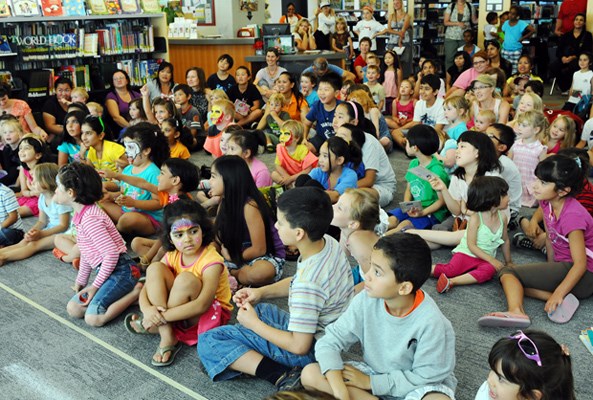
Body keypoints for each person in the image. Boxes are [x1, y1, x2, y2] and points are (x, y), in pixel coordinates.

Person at [197, 187, 353, 389]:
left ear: (298, 233)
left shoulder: (309, 284)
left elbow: (299, 346)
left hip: (315, 352)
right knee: (261, 309)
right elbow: (297, 282)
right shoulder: (326, 243)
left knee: (209, 341)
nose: (276, 226)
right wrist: (261, 292)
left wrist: (254, 325)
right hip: (330, 337)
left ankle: (281, 375)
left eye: (280, 222)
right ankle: (238, 352)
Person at [301, 232, 457, 400]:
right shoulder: (365, 299)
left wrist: (372, 382)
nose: (367, 276)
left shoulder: (432, 323)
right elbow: (330, 341)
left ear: (403, 288)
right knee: (310, 374)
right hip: (375, 373)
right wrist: (340, 392)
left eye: (377, 272)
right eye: (371, 266)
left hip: (417, 386)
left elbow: (425, 377)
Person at [479, 154, 593, 328]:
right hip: (567, 269)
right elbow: (550, 238)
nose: (535, 185)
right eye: (538, 179)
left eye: (544, 183)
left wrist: (558, 293)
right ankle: (560, 296)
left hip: (584, 276)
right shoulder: (547, 203)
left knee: (508, 273)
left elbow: (580, 264)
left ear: (563, 191)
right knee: (513, 284)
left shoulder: (572, 216)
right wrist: (549, 269)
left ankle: (518, 312)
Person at [123, 200, 232, 367]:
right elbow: (148, 284)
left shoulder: (212, 261)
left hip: (206, 314)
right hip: (177, 308)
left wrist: (157, 318)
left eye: (193, 231)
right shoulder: (172, 254)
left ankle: (161, 329)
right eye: (179, 235)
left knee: (185, 278)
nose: (187, 239)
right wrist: (147, 310)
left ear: (203, 230)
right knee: (154, 268)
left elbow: (202, 305)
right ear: (170, 239)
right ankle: (168, 334)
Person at [59, 163, 142, 327]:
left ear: (70, 193)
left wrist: (95, 286)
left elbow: (111, 255)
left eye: (58, 187)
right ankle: (120, 292)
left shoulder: (90, 219)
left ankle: (137, 292)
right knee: (74, 309)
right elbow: (86, 252)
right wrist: (81, 282)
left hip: (122, 271)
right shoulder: (81, 215)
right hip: (108, 271)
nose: (55, 191)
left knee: (94, 318)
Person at [211, 155, 285, 286]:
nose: (209, 181)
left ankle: (233, 274)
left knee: (259, 273)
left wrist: (231, 257)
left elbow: (259, 249)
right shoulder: (224, 202)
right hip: (234, 254)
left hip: (264, 257)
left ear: (229, 179)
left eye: (213, 176)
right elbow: (219, 236)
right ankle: (233, 273)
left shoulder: (249, 206)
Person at [433, 176, 511, 293]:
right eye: (504, 195)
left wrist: (508, 261)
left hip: (485, 259)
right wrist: (492, 260)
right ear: (492, 199)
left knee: (489, 272)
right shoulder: (476, 218)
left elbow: (505, 240)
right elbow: (471, 245)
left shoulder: (503, 217)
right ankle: (423, 269)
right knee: (450, 270)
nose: (509, 198)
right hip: (467, 253)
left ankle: (453, 281)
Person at [120, 158, 200, 269]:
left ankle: (155, 266)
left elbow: (167, 240)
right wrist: (118, 176)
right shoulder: (169, 195)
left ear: (175, 181)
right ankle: (153, 264)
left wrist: (151, 258)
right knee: (136, 242)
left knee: (159, 256)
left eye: (162, 173)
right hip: (169, 240)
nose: (158, 177)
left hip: (182, 247)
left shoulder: (180, 207)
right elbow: (142, 183)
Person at [99, 123, 169, 236]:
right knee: (99, 202)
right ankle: (112, 229)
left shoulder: (153, 172)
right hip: (126, 210)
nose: (126, 152)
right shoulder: (128, 168)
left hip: (148, 218)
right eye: (126, 147)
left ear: (146, 150)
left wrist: (134, 203)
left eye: (131, 147)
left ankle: (113, 234)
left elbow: (159, 203)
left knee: (127, 220)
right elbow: (123, 190)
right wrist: (109, 192)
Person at [0, 163, 71, 267]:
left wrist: (42, 234)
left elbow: (63, 226)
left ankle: (3, 257)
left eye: (35, 180)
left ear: (46, 181)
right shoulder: (42, 197)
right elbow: (42, 221)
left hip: (64, 233)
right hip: (51, 228)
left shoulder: (60, 200)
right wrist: (32, 230)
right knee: (25, 241)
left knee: (34, 245)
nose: (31, 182)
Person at [475, 330, 576, 400]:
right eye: (493, 370)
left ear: (531, 396)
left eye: (501, 379)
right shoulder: (489, 392)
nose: (489, 380)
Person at [387, 125, 448, 231]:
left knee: (405, 224)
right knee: (393, 219)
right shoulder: (414, 163)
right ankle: (374, 231)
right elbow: (408, 189)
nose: (406, 145)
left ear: (415, 148)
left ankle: (380, 239)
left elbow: (442, 201)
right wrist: (407, 205)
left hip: (432, 212)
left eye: (407, 143)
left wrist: (422, 212)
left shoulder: (437, 170)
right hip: (415, 207)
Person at [334, 104, 396, 207]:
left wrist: (340, 189)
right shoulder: (337, 138)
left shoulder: (369, 142)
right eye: (334, 116)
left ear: (353, 122)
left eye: (340, 117)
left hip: (378, 186)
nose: (335, 121)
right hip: (350, 182)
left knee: (352, 199)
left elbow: (369, 180)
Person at [330, 188, 382, 287]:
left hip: (375, 280)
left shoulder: (357, 241)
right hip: (362, 271)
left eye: (339, 208)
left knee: (339, 298)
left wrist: (350, 295)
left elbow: (374, 281)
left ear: (353, 224)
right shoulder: (346, 230)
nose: (332, 207)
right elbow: (342, 255)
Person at [392, 74, 447, 149]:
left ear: (435, 92)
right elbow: (416, 122)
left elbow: (437, 129)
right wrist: (400, 129)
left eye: (427, 89)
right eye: (421, 88)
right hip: (421, 133)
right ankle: (408, 147)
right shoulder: (419, 103)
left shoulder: (442, 105)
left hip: (435, 136)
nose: (422, 92)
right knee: (395, 132)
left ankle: (412, 149)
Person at [299, 136, 360, 204]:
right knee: (302, 178)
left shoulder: (350, 175)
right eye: (320, 155)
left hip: (339, 209)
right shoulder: (319, 171)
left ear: (339, 160)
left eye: (325, 156)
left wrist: (305, 195)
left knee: (311, 185)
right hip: (319, 205)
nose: (320, 160)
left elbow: (335, 196)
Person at [486, 123, 522, 230]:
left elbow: (491, 191)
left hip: (508, 207)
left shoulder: (503, 165)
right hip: (495, 201)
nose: (484, 137)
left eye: (490, 136)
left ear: (501, 147)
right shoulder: (488, 159)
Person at [509, 110, 548, 207]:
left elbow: (543, 171)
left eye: (524, 125)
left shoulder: (540, 149)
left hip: (530, 185)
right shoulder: (515, 144)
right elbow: (509, 164)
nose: (519, 128)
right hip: (516, 182)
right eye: (519, 124)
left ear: (536, 130)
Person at [272, 120, 318, 188]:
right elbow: (278, 165)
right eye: (281, 133)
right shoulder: (280, 148)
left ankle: (290, 186)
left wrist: (291, 178)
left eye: (286, 134)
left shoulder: (302, 150)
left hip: (300, 177)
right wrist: (287, 177)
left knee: (307, 181)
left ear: (297, 138)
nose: (282, 136)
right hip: (288, 175)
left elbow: (308, 169)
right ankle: (291, 186)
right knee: (274, 174)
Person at [304, 72, 343, 152]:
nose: (321, 92)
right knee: (306, 150)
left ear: (336, 93)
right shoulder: (317, 106)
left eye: (326, 90)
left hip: (339, 140)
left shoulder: (342, 107)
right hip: (320, 138)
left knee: (331, 153)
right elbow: (307, 124)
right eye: (320, 89)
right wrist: (304, 138)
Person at [16, 135, 47, 218]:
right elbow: (24, 191)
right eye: (20, 148)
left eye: (26, 148)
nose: (22, 151)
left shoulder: (42, 170)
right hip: (28, 197)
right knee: (6, 207)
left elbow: (44, 193)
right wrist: (32, 193)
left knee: (14, 213)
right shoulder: (23, 169)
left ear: (38, 155)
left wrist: (34, 193)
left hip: (40, 200)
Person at [443, 0, 477, 70]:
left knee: (464, 59)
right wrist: (458, 23)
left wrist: (485, 16)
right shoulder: (451, 6)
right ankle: (449, 78)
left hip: (465, 37)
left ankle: (462, 77)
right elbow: (445, 22)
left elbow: (474, 21)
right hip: (451, 36)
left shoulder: (470, 6)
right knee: (450, 58)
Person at [381, 0, 412, 77]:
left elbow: (403, 30)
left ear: (401, 4)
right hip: (392, 41)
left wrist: (400, 40)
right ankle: (393, 78)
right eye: (394, 4)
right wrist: (398, 33)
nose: (396, 5)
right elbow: (388, 29)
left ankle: (403, 79)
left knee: (404, 61)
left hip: (404, 41)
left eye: (397, 3)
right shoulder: (391, 16)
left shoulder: (407, 16)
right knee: (391, 60)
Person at [501, 5, 535, 75]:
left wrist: (522, 38)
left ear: (517, 15)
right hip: (505, 49)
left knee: (515, 69)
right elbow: (504, 31)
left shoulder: (521, 23)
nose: (510, 15)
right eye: (510, 13)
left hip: (516, 50)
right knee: (504, 68)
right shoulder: (506, 23)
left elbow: (532, 30)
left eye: (513, 14)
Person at [439, 95, 470, 170]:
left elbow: (461, 148)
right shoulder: (451, 126)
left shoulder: (460, 129)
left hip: (454, 165)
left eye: (449, 109)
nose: (445, 112)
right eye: (444, 109)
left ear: (460, 111)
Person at [563, 51, 593, 119]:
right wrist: (569, 100)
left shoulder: (591, 75)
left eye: (585, 60)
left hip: (583, 103)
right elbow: (571, 88)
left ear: (590, 62)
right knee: (563, 116)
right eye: (580, 60)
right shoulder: (576, 74)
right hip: (572, 100)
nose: (582, 62)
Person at [42, 77, 72, 144]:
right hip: (59, 136)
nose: (63, 94)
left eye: (67, 90)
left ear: (71, 90)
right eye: (60, 90)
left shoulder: (75, 101)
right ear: (55, 91)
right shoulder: (50, 104)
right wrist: (70, 131)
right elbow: (50, 127)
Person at [0, 117, 24, 186]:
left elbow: (25, 167)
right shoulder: (6, 149)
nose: (7, 134)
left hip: (24, 172)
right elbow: (8, 168)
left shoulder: (23, 147)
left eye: (11, 132)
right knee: (13, 171)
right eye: (5, 132)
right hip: (13, 173)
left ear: (19, 133)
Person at [381, 50, 403, 116]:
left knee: (392, 113)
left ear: (394, 58)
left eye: (390, 58)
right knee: (384, 113)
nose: (387, 60)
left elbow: (399, 84)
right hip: (383, 96)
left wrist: (398, 97)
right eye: (385, 58)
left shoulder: (397, 71)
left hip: (393, 96)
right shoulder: (383, 70)